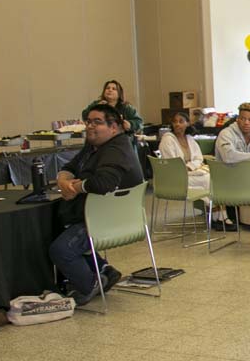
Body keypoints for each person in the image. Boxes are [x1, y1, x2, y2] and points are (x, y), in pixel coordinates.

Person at [49, 104, 144, 306]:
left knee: (61, 249)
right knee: (52, 228)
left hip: (109, 219)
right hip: (98, 213)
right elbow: (69, 167)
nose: (90, 126)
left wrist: (74, 187)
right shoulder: (93, 146)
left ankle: (90, 283)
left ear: (114, 127)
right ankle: (104, 270)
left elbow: (103, 183)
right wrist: (63, 181)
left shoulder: (117, 147)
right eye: (88, 121)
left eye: (97, 122)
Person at [157, 111, 209, 193]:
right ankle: (207, 204)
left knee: (211, 177)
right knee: (207, 179)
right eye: (175, 121)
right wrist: (188, 168)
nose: (177, 124)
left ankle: (209, 204)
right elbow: (173, 163)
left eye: (181, 121)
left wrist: (190, 167)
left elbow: (199, 158)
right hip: (174, 177)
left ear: (187, 123)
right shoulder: (167, 139)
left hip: (189, 172)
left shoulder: (190, 139)